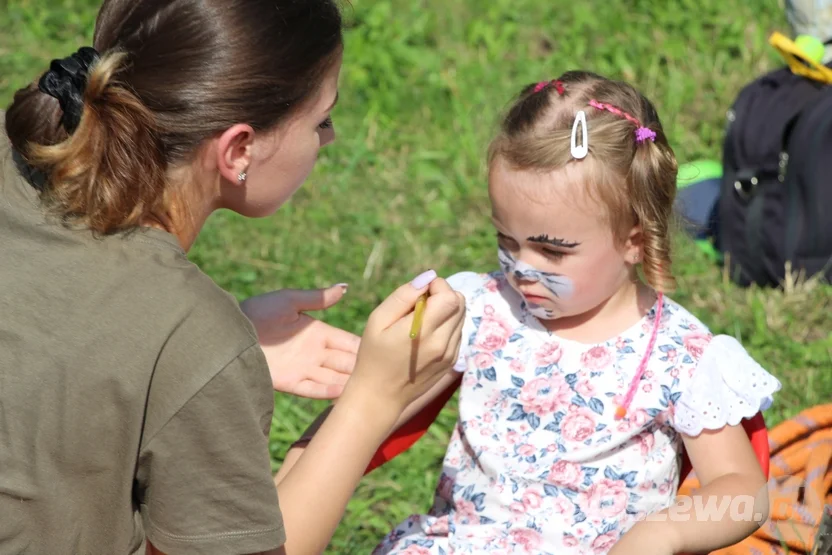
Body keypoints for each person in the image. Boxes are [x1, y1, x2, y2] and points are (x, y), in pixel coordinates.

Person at [0, 1, 466, 554]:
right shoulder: (192, 331)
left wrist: (201, 362)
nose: (330, 140)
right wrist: (371, 403)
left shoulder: (15, 169)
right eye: (322, 121)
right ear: (239, 149)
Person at [285, 71, 783, 554]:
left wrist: (664, 534)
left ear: (634, 240)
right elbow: (383, 405)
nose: (522, 269)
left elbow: (742, 489)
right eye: (507, 241)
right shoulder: (482, 310)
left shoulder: (680, 356)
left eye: (553, 251)